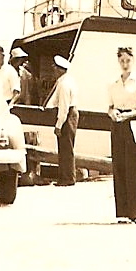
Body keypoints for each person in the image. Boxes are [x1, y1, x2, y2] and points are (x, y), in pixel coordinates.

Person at [106, 46, 136, 223]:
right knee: (119, 166)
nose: (125, 64)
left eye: (128, 60)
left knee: (134, 167)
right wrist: (113, 113)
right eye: (122, 60)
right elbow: (110, 106)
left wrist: (129, 114)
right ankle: (123, 211)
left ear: (133, 61)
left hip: (134, 123)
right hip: (117, 124)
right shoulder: (113, 83)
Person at [45, 54, 78, 186]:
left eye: (55, 67)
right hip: (70, 114)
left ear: (60, 69)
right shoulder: (67, 81)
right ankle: (66, 176)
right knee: (66, 147)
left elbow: (63, 107)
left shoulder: (64, 84)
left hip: (67, 116)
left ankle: (67, 178)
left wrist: (59, 125)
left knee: (65, 148)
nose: (53, 69)